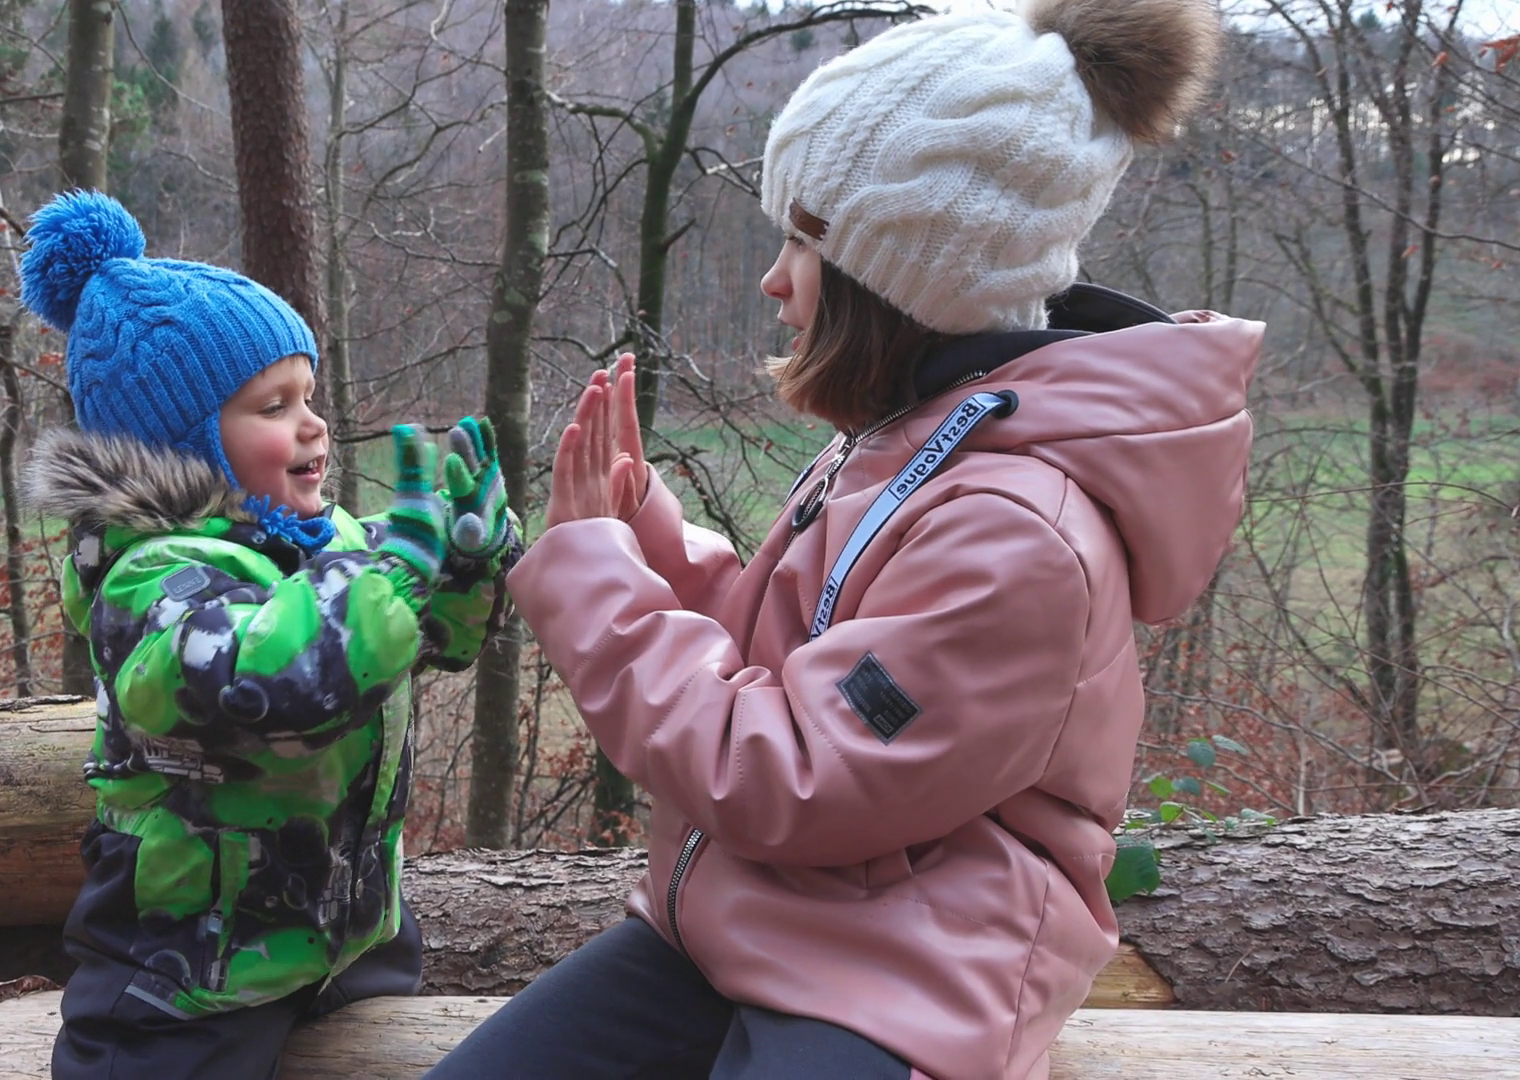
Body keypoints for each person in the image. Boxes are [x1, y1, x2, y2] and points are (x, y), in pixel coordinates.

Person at [426, 0, 1255, 1077]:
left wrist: (595, 584)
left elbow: (794, 774)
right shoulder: (919, 436)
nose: (775, 277)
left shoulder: (1018, 535)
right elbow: (797, 652)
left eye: (805, 240)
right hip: (745, 917)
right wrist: (643, 538)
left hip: (904, 965)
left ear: (907, 271)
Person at [17, 191, 517, 1080]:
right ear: (186, 447)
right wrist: (396, 573)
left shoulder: (330, 545)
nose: (313, 423)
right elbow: (274, 685)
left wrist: (468, 559)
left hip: (350, 942)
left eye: (308, 394)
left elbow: (433, 638)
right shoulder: (151, 582)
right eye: (274, 405)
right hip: (187, 973)